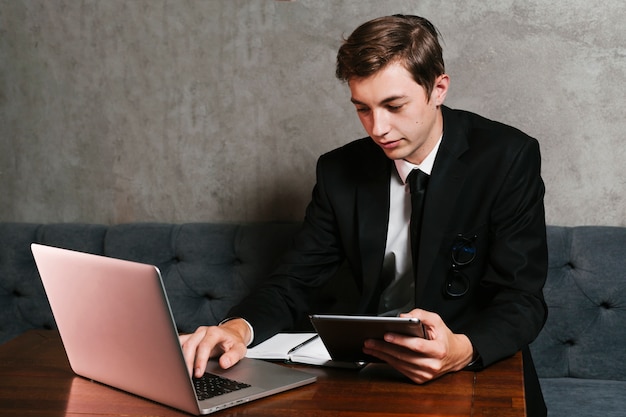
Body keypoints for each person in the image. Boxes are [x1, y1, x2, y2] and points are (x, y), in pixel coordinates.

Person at [180, 14, 548, 415]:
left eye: (394, 106)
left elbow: (522, 298)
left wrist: (463, 349)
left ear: (438, 88)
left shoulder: (507, 157)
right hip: (365, 371)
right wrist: (236, 328)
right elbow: (294, 281)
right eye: (363, 109)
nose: (378, 129)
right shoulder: (339, 171)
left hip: (470, 366)